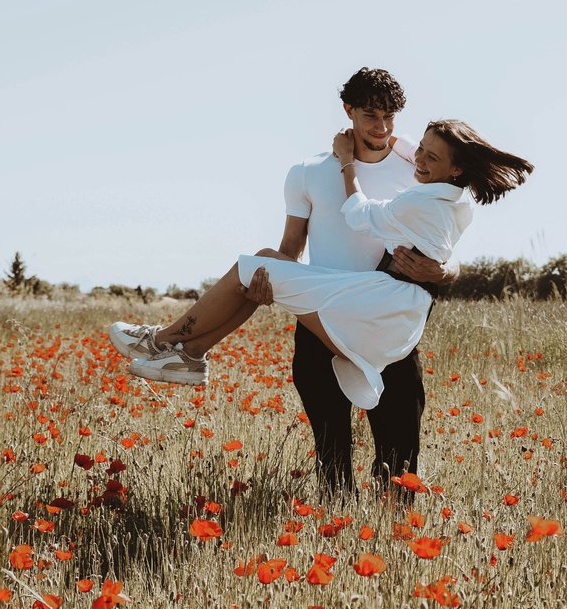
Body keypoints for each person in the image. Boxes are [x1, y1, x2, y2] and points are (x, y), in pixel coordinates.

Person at [109, 108, 532, 493]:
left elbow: (358, 214)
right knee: (264, 263)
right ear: (349, 112)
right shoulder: (453, 199)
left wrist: (347, 162)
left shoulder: (419, 192)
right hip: (387, 307)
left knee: (398, 450)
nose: (417, 157)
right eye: (419, 148)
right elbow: (303, 247)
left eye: (431, 157)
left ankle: (163, 340)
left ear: (455, 166)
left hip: (379, 306)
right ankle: (193, 351)